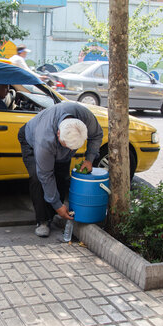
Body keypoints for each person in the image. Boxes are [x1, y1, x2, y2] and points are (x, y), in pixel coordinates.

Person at [18, 101, 103, 237]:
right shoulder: (45, 139)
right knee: (38, 178)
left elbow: (97, 135)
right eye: (67, 145)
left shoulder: (85, 117)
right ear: (58, 134)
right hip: (31, 140)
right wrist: (57, 204)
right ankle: (43, 221)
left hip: (55, 145)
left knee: (62, 177)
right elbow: (45, 175)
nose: (70, 150)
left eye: (73, 148)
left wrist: (89, 159)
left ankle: (55, 214)